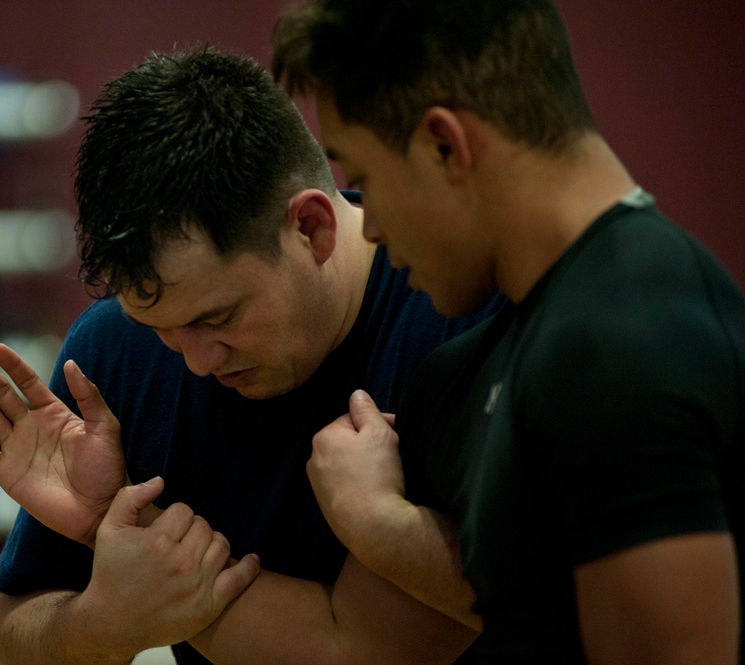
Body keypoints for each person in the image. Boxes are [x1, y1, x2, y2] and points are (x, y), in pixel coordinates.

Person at [0, 48, 504, 665]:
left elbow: (363, 651)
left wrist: (122, 543)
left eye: (216, 319)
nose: (194, 361)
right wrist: (100, 618)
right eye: (159, 328)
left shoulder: (457, 313)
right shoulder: (113, 349)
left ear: (313, 229)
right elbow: (11, 625)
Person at [270, 1, 744, 663]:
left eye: (365, 180)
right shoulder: (479, 366)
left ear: (445, 145)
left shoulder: (624, 341)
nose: (370, 225)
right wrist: (385, 523)